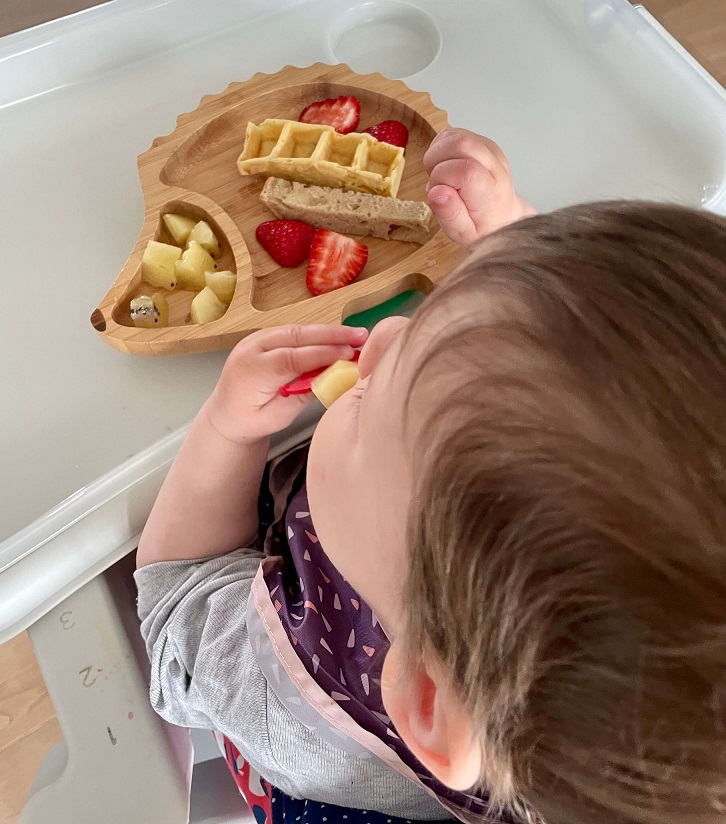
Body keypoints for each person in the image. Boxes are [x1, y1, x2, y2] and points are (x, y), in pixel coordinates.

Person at [136, 128, 726, 824]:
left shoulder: (301, 699)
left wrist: (226, 431)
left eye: (369, 404)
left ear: (422, 694)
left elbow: (178, 597)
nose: (385, 336)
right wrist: (516, 251)